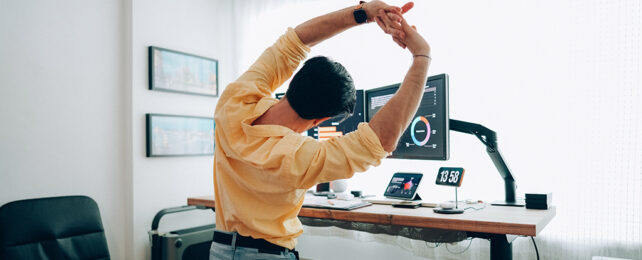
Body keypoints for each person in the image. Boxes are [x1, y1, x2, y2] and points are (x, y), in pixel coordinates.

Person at [210, 1, 431, 259]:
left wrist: (364, 13)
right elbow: (382, 138)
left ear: (293, 80)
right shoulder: (298, 156)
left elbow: (296, 40)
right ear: (322, 119)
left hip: (220, 249)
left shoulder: (234, 103)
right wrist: (422, 55)